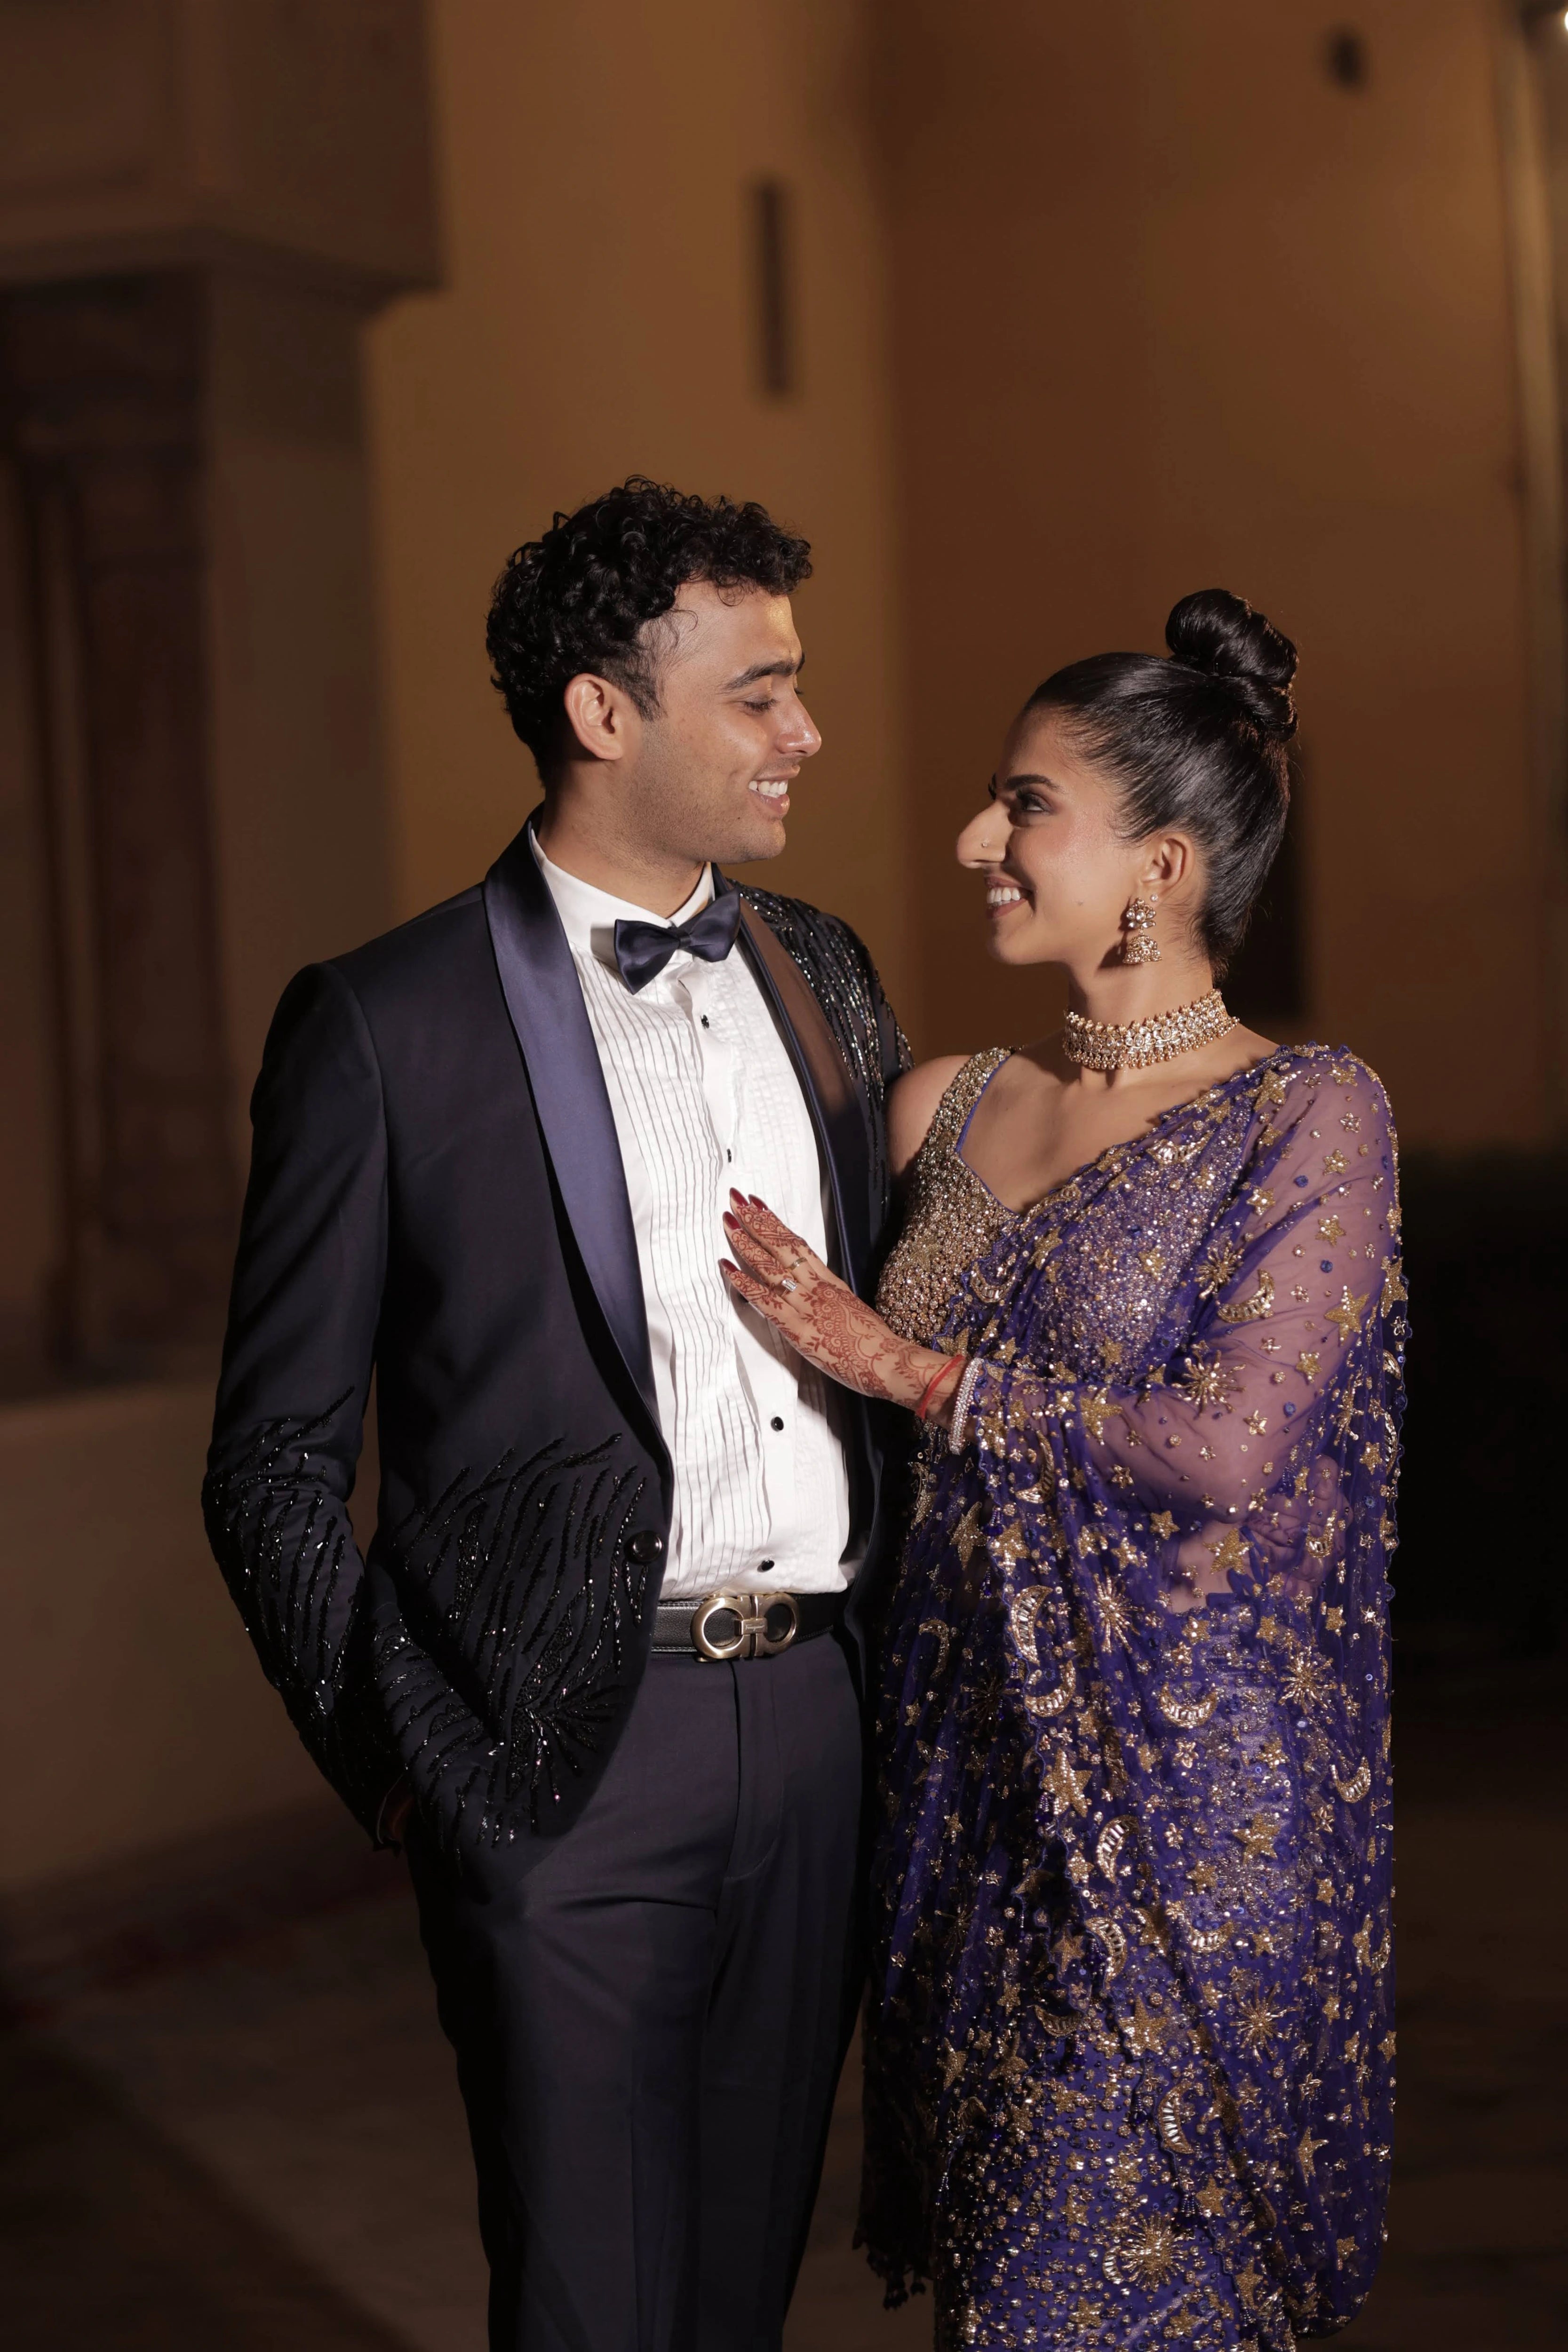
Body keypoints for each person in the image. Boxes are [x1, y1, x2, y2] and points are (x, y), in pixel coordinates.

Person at [203, 478, 910, 2351]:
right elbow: (271, 1461)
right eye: (758, 692)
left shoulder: (828, 974)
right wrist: (414, 1765)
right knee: (592, 2308)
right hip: (559, 1764)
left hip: (819, 1727)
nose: (805, 732)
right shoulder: (383, 1021)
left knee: (740, 2299)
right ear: (606, 711)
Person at [720, 589, 1405, 2351]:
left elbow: (1229, 1447)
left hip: (1185, 1831)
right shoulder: (940, 1107)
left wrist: (915, 1370)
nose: (976, 841)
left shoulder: (1307, 1115)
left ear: (1162, 867)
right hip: (960, 1807)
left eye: (1025, 805)